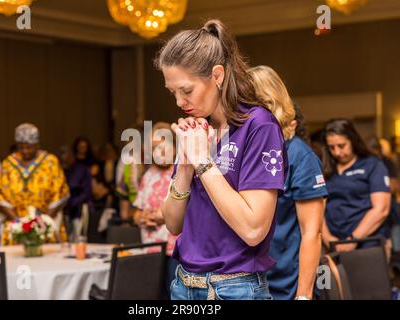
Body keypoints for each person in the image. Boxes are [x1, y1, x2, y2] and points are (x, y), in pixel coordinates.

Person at [157, 19, 287, 300]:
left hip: (235, 288)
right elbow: (173, 224)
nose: (179, 102)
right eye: (173, 92)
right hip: (183, 283)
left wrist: (203, 161)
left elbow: (253, 229)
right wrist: (186, 165)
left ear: (217, 75)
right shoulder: (197, 130)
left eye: (187, 90)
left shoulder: (259, 126)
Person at [247, 66, 327, 300]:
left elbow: (312, 233)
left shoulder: (300, 156)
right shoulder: (246, 150)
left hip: (283, 286)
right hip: (244, 282)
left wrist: (303, 295)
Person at [322, 119, 391, 251]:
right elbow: (318, 208)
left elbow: (381, 209)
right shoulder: (327, 169)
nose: (336, 152)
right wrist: (328, 238)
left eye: (341, 146)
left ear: (352, 141)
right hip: (333, 243)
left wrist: (352, 240)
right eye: (331, 147)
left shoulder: (372, 165)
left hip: (367, 243)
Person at [0, 123, 70, 245]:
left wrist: (41, 223)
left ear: (37, 145)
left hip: (46, 224)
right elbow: (2, 197)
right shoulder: (8, 164)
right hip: (16, 227)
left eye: (29, 147)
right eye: (21, 147)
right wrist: (20, 225)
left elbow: (59, 194)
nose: (25, 151)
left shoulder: (50, 162)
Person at [132, 122, 179, 299]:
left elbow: (191, 209)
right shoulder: (148, 175)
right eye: (154, 148)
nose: (160, 152)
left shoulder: (182, 171)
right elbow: (137, 211)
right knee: (153, 295)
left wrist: (162, 217)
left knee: (173, 295)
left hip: (174, 250)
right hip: (150, 249)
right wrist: (141, 218)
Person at [60, 146, 92, 242]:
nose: (63, 158)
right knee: (66, 238)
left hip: (80, 208)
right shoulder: (61, 171)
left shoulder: (82, 170)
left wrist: (73, 202)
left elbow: (86, 192)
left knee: (79, 238)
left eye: (65, 155)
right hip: (65, 209)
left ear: (72, 156)